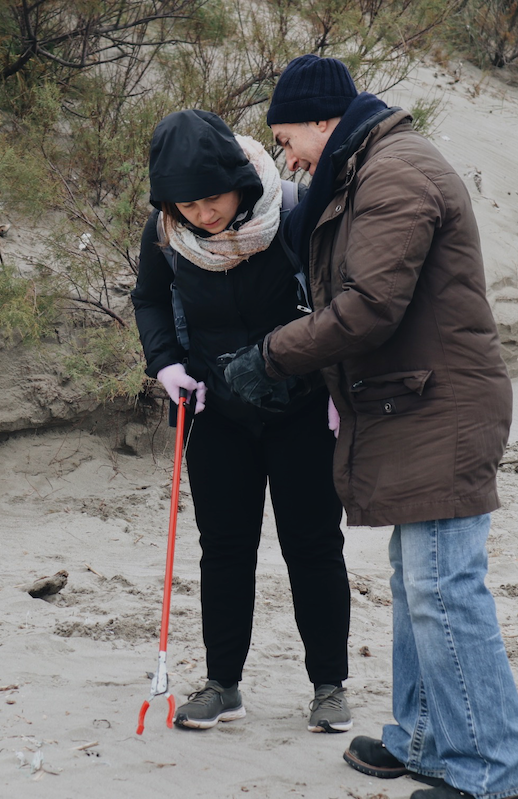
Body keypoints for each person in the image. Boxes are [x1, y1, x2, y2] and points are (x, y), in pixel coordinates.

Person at [224, 55, 518, 799]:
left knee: (445, 590)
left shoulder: (394, 172)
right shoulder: (366, 167)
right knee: (417, 583)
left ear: (322, 122)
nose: (286, 155)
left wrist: (271, 356)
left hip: (442, 406)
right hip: (414, 402)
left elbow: (368, 307)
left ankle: (497, 773)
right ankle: (426, 738)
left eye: (286, 137)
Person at [130, 110, 353, 734]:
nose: (204, 213)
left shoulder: (291, 212)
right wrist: (165, 364)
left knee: (311, 544)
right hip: (215, 411)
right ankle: (223, 684)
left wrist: (341, 382)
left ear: (237, 179)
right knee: (224, 549)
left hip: (303, 408)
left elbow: (339, 295)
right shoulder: (167, 232)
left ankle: (329, 686)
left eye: (212, 197)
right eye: (187, 203)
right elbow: (149, 298)